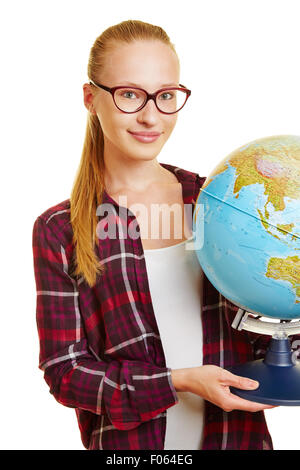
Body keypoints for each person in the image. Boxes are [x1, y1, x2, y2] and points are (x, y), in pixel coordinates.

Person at [32, 19, 275, 451]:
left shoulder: (219, 204)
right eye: (129, 94)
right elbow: (65, 373)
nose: (150, 116)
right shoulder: (61, 230)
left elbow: (262, 327)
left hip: (237, 441)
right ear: (91, 98)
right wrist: (178, 382)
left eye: (165, 96)